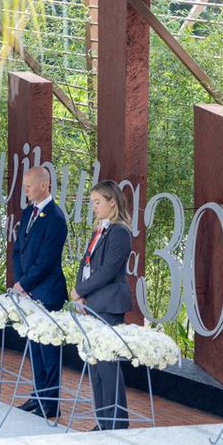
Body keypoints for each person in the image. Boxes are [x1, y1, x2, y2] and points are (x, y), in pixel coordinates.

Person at [71, 180, 135, 431]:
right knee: (95, 367)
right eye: (92, 202)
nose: (94, 207)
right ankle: (102, 420)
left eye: (98, 202)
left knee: (108, 367)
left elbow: (107, 271)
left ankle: (116, 423)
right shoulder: (101, 230)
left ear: (112, 202)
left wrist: (80, 290)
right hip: (92, 303)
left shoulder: (119, 232)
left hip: (108, 306)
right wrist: (79, 293)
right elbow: (85, 263)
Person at [11, 166, 69, 419]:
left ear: (44, 186)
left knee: (48, 350)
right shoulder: (28, 212)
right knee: (34, 347)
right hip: (28, 290)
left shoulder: (55, 217)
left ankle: (51, 402)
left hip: (46, 292)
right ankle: (37, 395)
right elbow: (18, 250)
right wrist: (19, 281)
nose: (25, 190)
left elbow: (47, 260)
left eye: (28, 186)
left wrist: (25, 283)